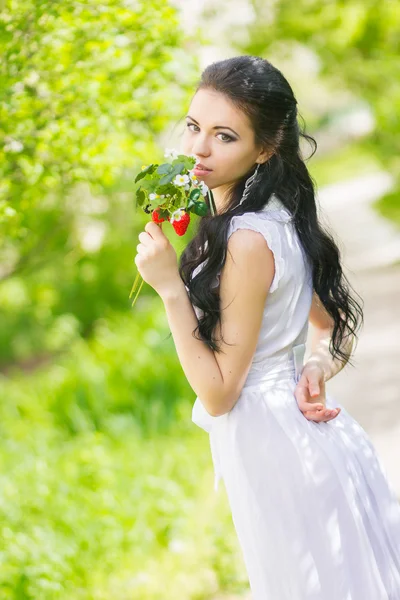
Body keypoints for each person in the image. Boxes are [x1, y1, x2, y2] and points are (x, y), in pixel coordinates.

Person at [134, 56, 400, 599]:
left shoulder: (249, 239)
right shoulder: (275, 214)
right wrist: (315, 365)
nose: (198, 149)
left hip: (280, 452)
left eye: (223, 136)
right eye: (194, 127)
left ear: (265, 148)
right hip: (295, 443)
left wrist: (168, 288)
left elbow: (218, 393)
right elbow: (327, 326)